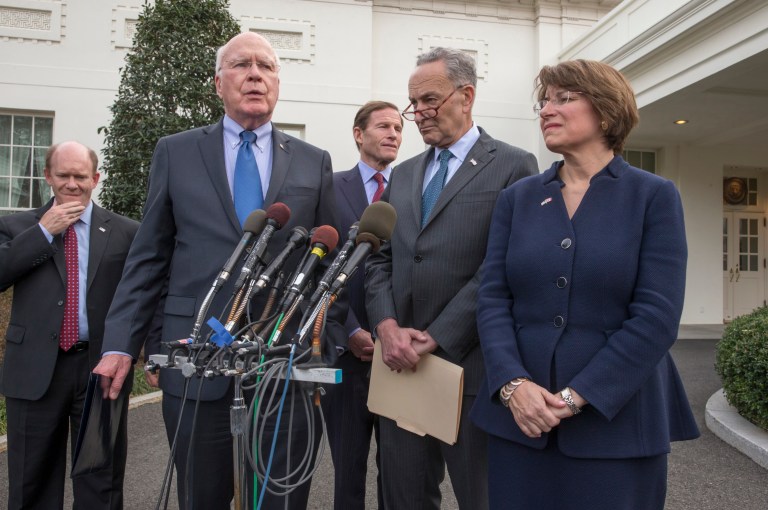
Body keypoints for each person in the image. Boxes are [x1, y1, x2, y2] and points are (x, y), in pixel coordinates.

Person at [93, 32, 345, 510]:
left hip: (281, 366)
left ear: (278, 82)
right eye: (242, 65)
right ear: (217, 83)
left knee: (277, 499)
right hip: (196, 358)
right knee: (201, 496)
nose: (255, 74)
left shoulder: (313, 161)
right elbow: (149, 257)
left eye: (267, 67)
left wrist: (320, 344)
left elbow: (326, 266)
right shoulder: (177, 151)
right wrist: (121, 344)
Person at [469, 59, 701, 509]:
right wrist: (514, 386)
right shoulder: (516, 199)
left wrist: (577, 397)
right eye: (544, 101)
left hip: (618, 425)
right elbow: (493, 298)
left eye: (563, 98)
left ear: (606, 111)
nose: (546, 110)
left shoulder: (653, 196)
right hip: (521, 424)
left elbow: (657, 316)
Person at [364, 47, 538, 510]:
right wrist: (386, 327)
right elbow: (379, 260)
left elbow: (501, 268)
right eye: (412, 103)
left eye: (429, 100)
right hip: (400, 367)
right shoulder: (401, 175)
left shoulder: (514, 165)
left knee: (479, 496)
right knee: (403, 496)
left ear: (466, 96)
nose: (417, 114)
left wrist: (437, 336)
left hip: (472, 371)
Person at [0, 141, 139, 510]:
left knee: (101, 480)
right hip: (34, 370)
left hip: (99, 369)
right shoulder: (16, 226)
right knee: (32, 481)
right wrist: (43, 232)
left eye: (81, 176)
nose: (72, 184)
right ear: (48, 176)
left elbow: (143, 294)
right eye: (63, 175)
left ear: (95, 179)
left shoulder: (126, 232)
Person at [321, 101, 402, 509]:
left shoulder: (413, 186)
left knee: (399, 469)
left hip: (401, 354)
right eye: (384, 126)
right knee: (347, 469)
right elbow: (321, 265)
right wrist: (350, 328)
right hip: (346, 351)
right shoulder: (330, 187)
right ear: (358, 133)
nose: (394, 134)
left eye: (399, 128)